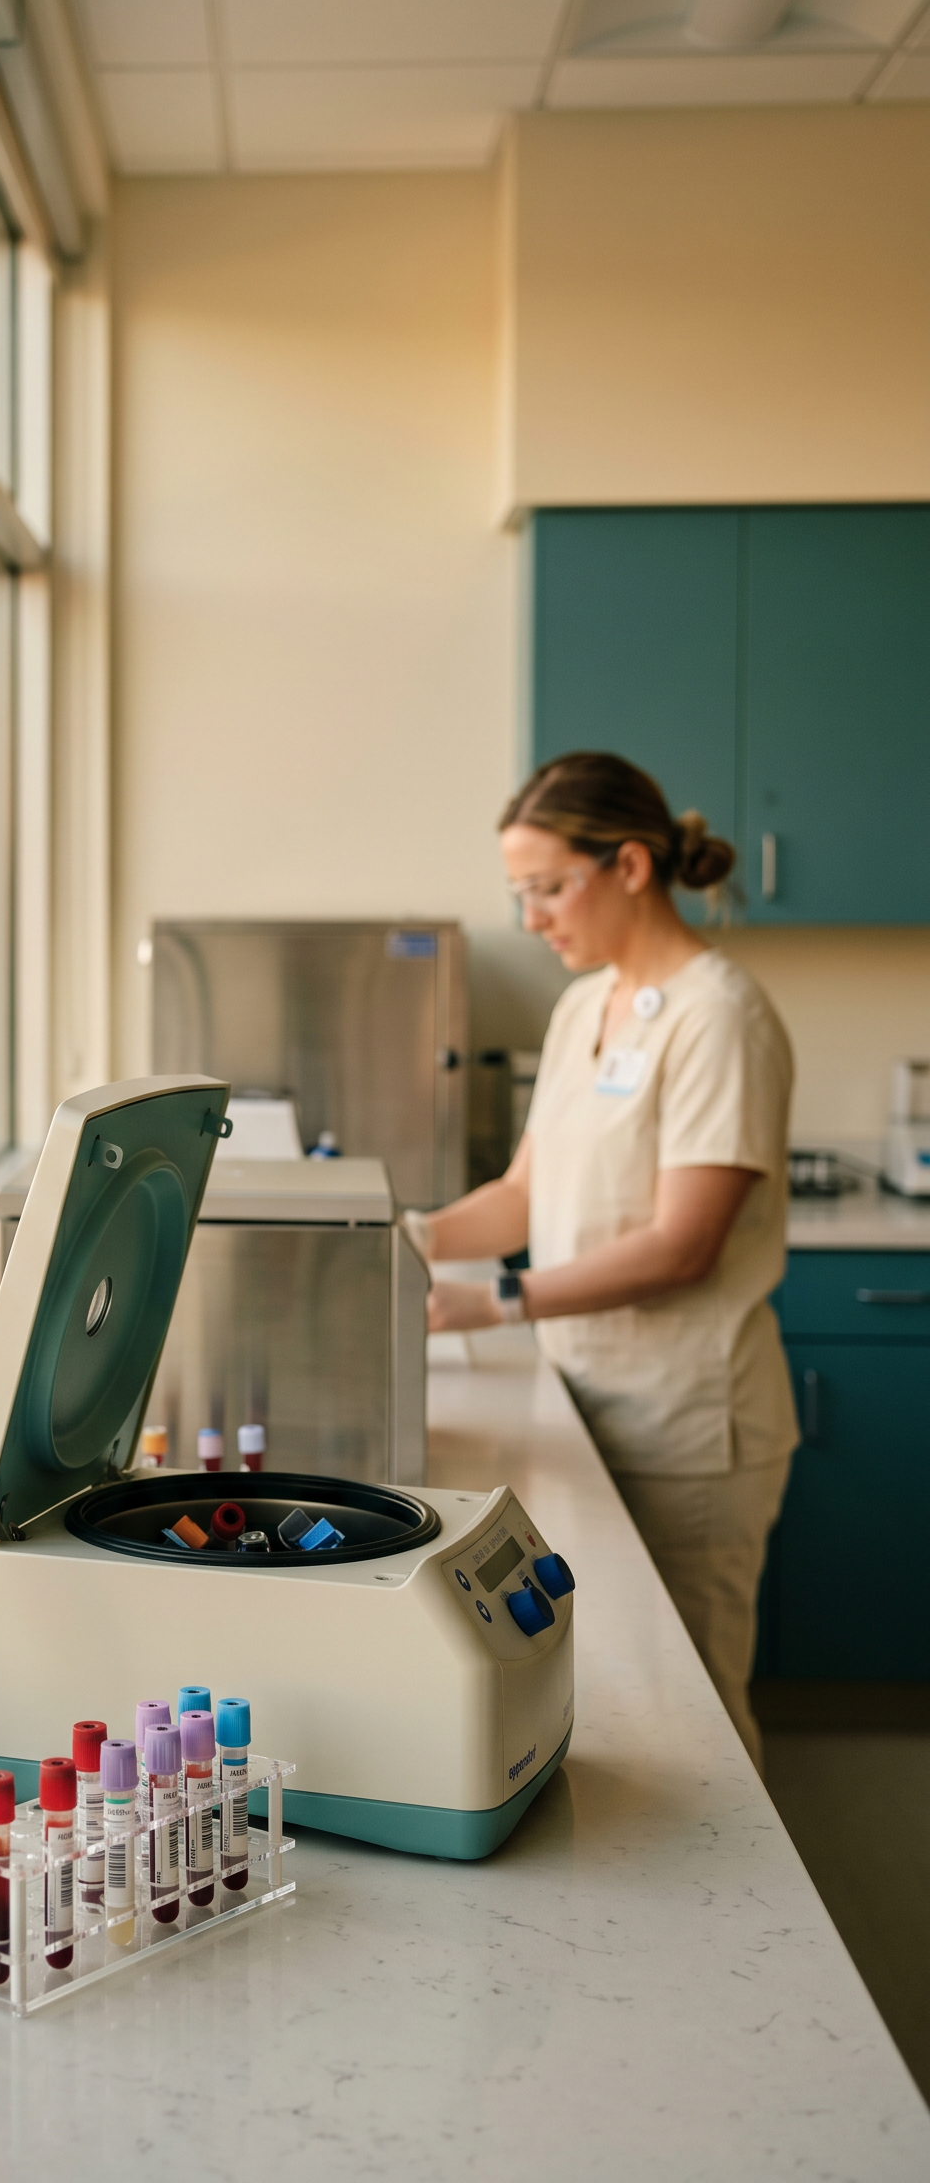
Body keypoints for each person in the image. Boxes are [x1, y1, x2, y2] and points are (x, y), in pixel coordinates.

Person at [410, 752, 795, 1767]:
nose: (531, 917)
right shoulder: (585, 1006)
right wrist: (407, 1237)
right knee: (621, 1687)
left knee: (696, 1705)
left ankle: (741, 1923)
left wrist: (492, 1302)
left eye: (546, 888)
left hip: (685, 1422)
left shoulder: (721, 1015)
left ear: (627, 865)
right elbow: (522, 1196)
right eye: (519, 893)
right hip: (584, 1400)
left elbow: (682, 1245)